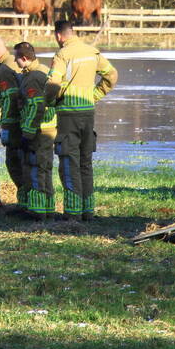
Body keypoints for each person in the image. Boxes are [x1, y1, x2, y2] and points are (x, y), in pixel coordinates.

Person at [47, 20, 118, 221]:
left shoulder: (63, 54)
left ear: (59, 36)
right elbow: (112, 75)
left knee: (69, 163)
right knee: (85, 163)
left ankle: (72, 213)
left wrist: (49, 101)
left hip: (68, 116)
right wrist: (93, 95)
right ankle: (88, 211)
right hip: (88, 115)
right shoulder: (92, 52)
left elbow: (53, 84)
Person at [14, 41, 57, 221]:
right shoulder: (45, 70)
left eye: (16, 58)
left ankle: (38, 212)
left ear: (24, 58)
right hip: (50, 129)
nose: (15, 62)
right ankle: (48, 208)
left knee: (37, 169)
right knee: (46, 169)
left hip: (38, 132)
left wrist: (27, 133)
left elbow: (35, 106)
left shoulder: (32, 77)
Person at [0, 36, 25, 212]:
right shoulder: (14, 62)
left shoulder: (2, 72)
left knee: (14, 164)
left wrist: (1, 126)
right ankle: (28, 201)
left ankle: (24, 202)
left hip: (14, 125)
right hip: (27, 123)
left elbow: (6, 100)